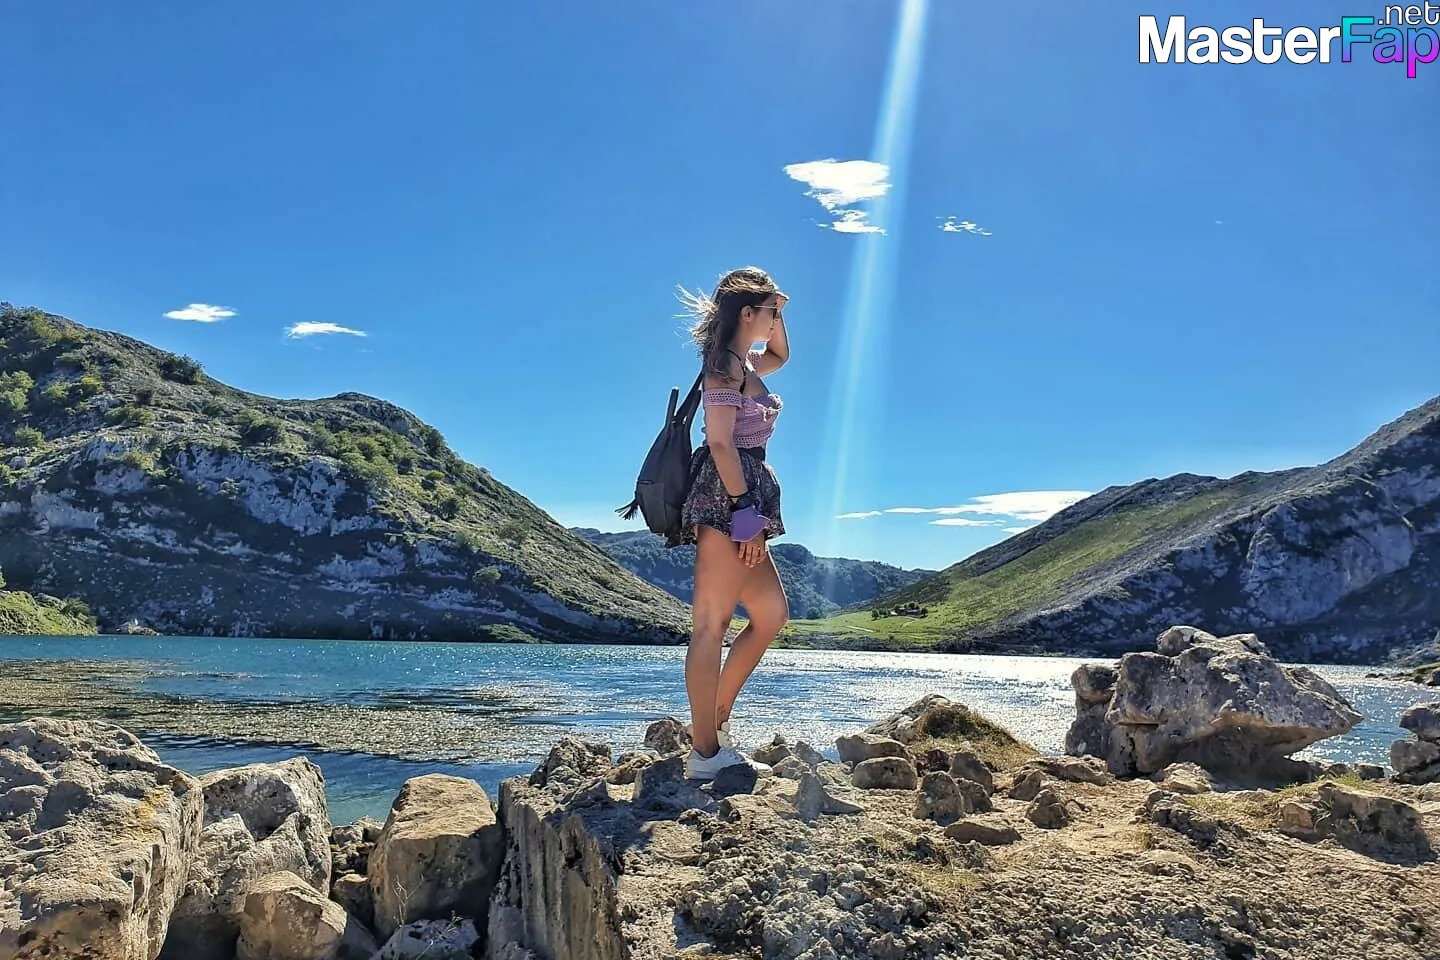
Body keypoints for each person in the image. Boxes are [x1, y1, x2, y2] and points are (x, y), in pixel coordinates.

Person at [673, 266, 791, 781]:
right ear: (747, 313)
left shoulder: (747, 362)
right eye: (768, 312)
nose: (773, 320)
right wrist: (743, 510)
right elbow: (720, 441)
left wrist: (778, 309)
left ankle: (714, 721)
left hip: (746, 494)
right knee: (711, 623)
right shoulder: (723, 365)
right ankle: (704, 752)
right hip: (728, 494)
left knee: (770, 614)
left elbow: (782, 353)